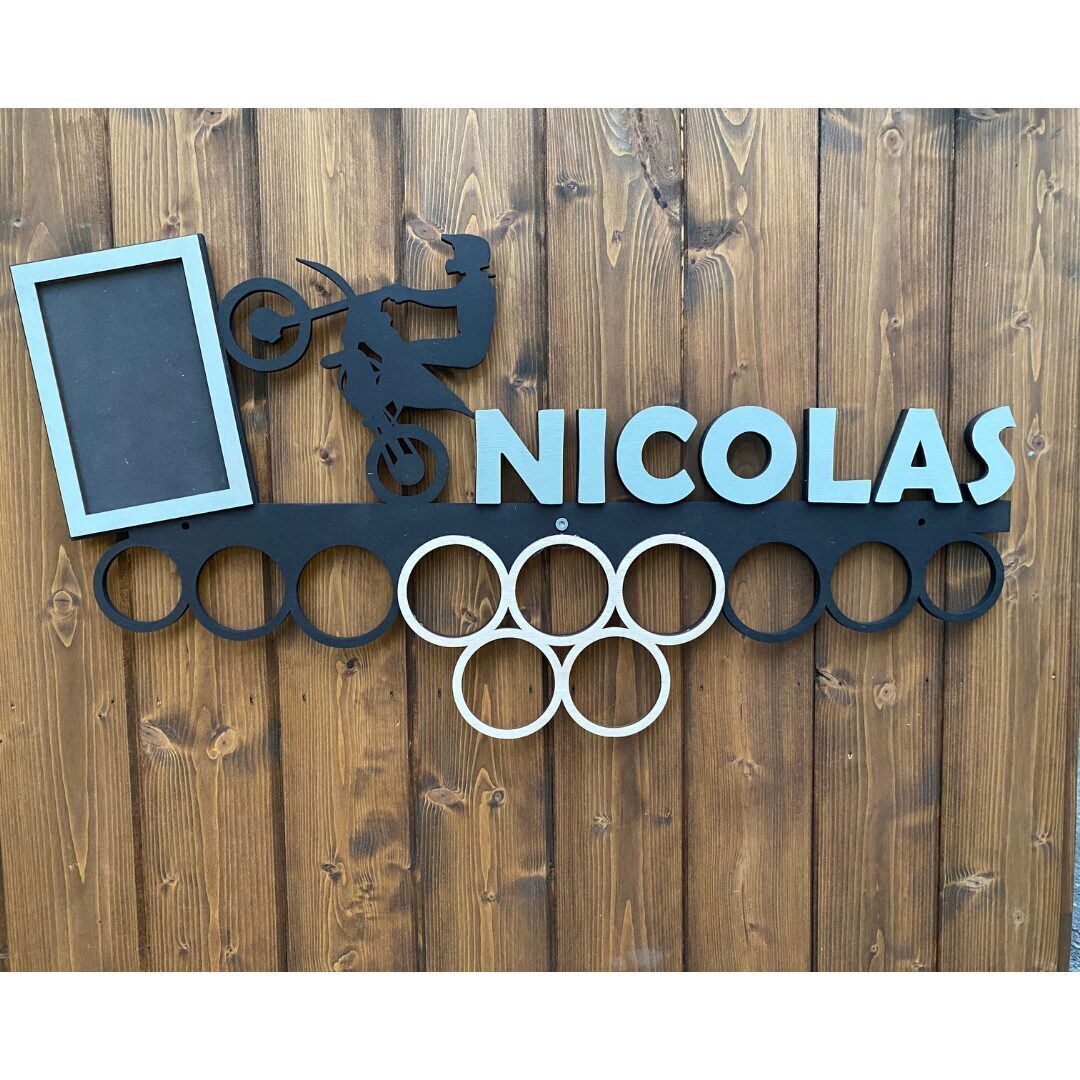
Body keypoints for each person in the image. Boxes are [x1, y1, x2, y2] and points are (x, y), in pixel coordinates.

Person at [320, 234, 495, 425]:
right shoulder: (475, 284)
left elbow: (441, 299)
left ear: (470, 259)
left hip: (467, 349)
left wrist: (408, 294)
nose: (453, 259)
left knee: (403, 353)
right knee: (402, 353)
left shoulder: (476, 285)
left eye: (458, 254)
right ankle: (383, 397)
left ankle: (381, 401)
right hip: (466, 346)